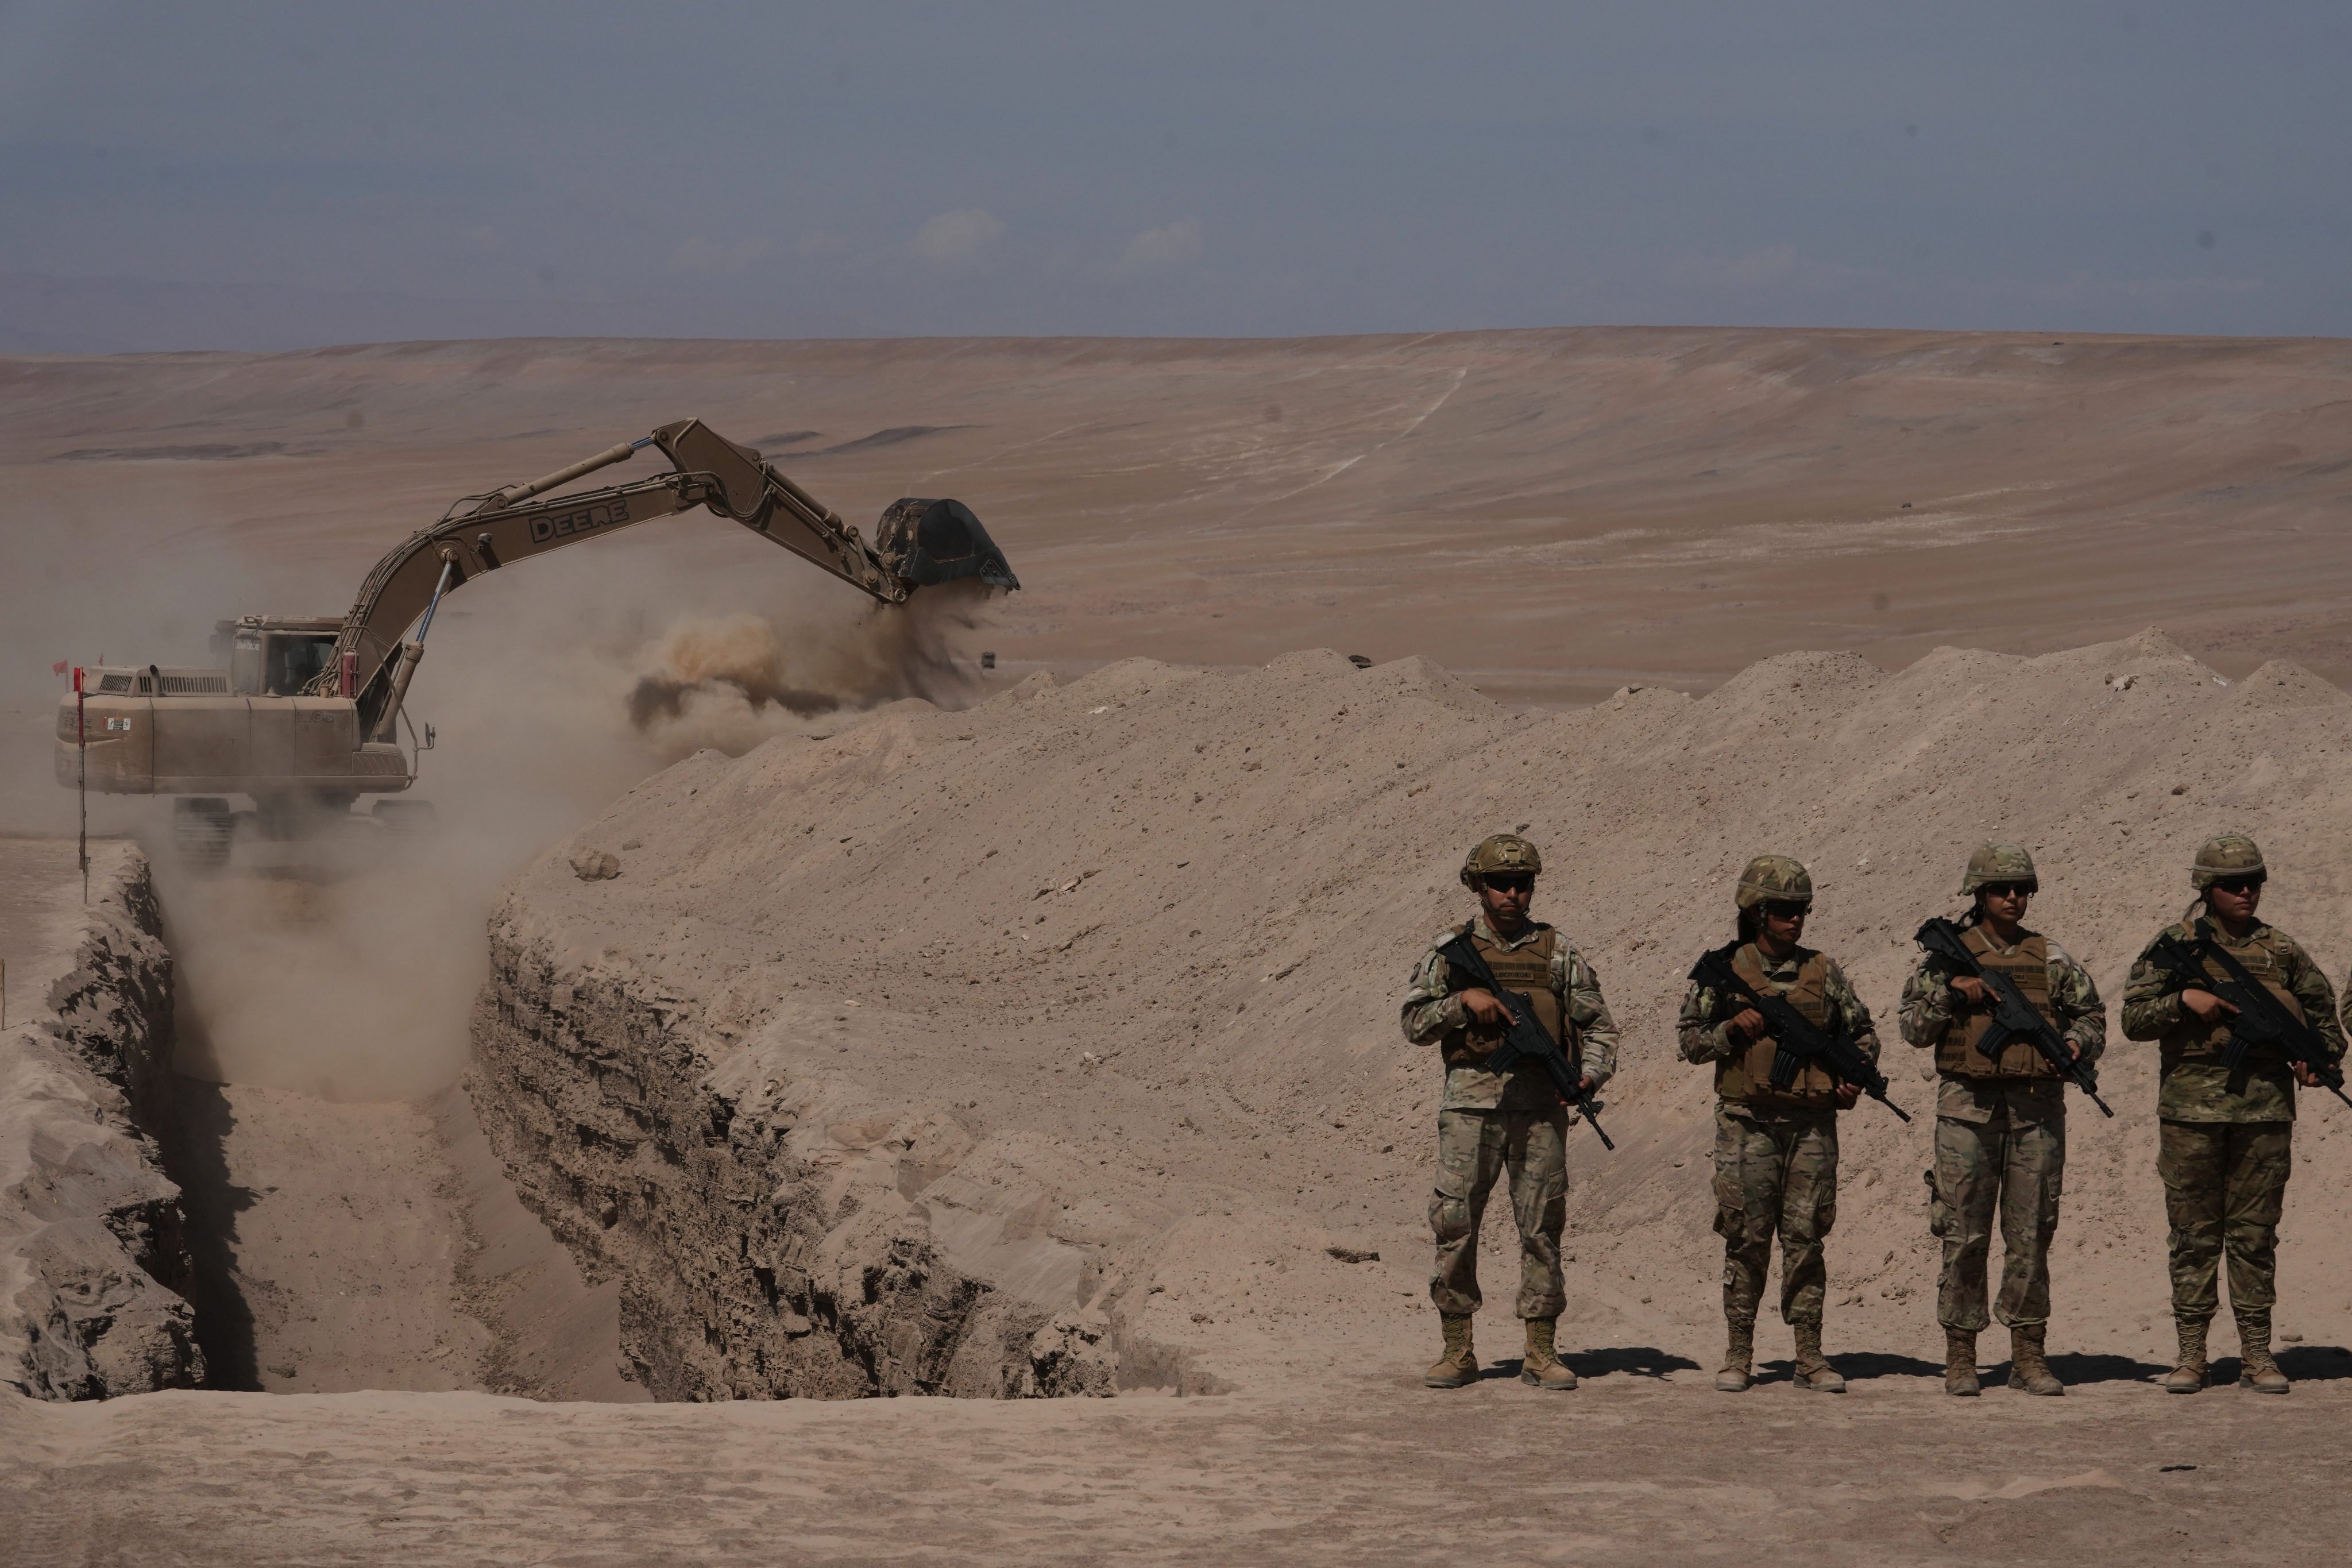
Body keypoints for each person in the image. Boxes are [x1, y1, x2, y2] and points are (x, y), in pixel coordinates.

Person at [2121, 833, 2344, 1394]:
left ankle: (2257, 1354)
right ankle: (2191, 1355)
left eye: (2254, 882)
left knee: (2254, 1236)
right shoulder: (2176, 945)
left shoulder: (2283, 951)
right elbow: (2133, 1020)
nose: (2246, 892)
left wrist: (2316, 1062)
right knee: (2193, 1237)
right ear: (2207, 889)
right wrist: (2182, 1001)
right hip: (2189, 1113)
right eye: (2233, 884)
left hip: (2263, 1112)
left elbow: (2325, 1022)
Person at [1400, 833, 1620, 1391]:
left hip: (1540, 1109)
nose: (1512, 894)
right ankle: (1457, 1350)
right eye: (1500, 884)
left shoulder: (1558, 951)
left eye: (1522, 884)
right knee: (1455, 1223)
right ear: (1478, 887)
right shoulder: (1450, 952)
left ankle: (1541, 1352)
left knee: (1542, 1226)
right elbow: (1414, 1024)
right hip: (1470, 1109)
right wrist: (1461, 1003)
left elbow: (1598, 1026)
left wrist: (1590, 1074)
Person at [1898, 843, 2106, 1397]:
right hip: (1966, 1112)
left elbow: (2092, 1016)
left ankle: (2028, 1356)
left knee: (2031, 1234)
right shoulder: (1946, 958)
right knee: (1963, 1233)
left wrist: (2075, 1043)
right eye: (2000, 890)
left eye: (2020, 890)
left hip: (2036, 1112)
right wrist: (1951, 993)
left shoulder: (2051, 957)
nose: (2012, 898)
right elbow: (1912, 1029)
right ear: (1979, 894)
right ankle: (1960, 1354)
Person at [1677, 855, 1880, 1394]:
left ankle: (1809, 1356)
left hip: (1811, 1126)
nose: (1796, 920)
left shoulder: (1823, 971)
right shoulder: (1725, 968)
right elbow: (1690, 1041)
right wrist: (1729, 1029)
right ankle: (1738, 1353)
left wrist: (1854, 1077)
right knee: (1745, 1238)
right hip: (1746, 1124)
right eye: (1786, 911)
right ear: (1757, 913)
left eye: (1802, 910)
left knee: (1806, 1238)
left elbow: (1862, 1033)